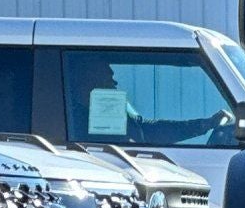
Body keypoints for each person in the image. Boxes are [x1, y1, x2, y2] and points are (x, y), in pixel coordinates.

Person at [70, 55, 235, 146]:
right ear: (83, 77)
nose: (113, 77)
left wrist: (203, 125)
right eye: (103, 71)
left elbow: (147, 129)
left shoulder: (108, 110)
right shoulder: (73, 121)